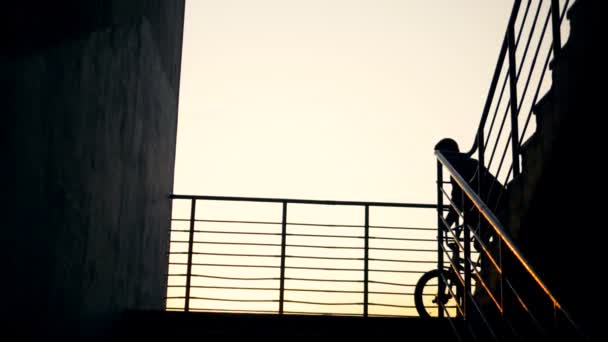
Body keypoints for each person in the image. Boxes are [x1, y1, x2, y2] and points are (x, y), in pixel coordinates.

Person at [434, 138, 505, 260]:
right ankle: (496, 258)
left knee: (479, 241)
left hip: (493, 206)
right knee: (479, 238)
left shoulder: (460, 170)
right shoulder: (468, 164)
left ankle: (497, 262)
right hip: (494, 203)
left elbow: (458, 199)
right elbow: (459, 199)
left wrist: (447, 223)